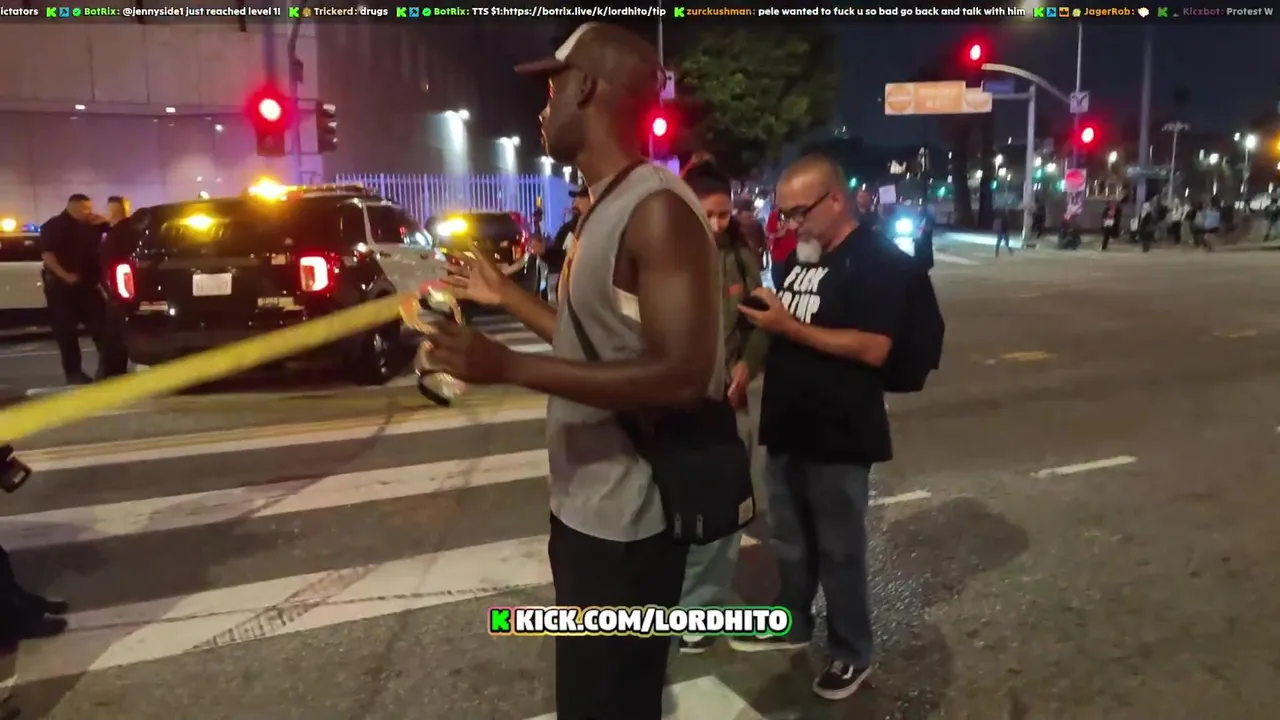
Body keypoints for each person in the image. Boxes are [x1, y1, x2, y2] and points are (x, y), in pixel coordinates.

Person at [427, 22, 722, 719]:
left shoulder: (655, 210)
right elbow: (596, 343)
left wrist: (509, 366)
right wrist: (506, 298)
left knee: (608, 702)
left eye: (552, 90)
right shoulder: (604, 206)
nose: (543, 108)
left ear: (586, 88)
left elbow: (682, 376)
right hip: (588, 508)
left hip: (629, 523)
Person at [731, 154, 911, 702]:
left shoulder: (877, 260)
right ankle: (792, 622)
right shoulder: (799, 258)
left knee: (839, 549)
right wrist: (748, 363)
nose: (790, 225)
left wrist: (788, 326)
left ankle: (851, 650)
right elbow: (779, 327)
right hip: (788, 423)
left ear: (835, 199)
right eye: (783, 214)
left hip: (839, 430)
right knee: (790, 540)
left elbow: (873, 347)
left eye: (798, 213)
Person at [675, 163, 769, 654]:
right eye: (706, 214)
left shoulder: (739, 255)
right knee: (675, 511)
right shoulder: (661, 254)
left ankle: (700, 611)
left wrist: (748, 366)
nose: (715, 224)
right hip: (676, 405)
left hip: (729, 402)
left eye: (723, 215)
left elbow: (759, 321)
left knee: (725, 512)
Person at [38, 193, 113, 385]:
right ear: (73, 207)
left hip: (88, 284)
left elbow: (114, 232)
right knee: (67, 333)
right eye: (86, 209)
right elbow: (48, 255)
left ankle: (108, 368)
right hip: (62, 287)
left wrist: (104, 221)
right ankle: (73, 373)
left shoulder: (92, 225)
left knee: (103, 328)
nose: (89, 212)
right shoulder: (53, 226)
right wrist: (65, 275)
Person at [96, 196, 133, 378]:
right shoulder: (130, 231)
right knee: (116, 336)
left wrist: (108, 289)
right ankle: (113, 373)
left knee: (114, 337)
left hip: (118, 292)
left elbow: (111, 264)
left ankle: (111, 375)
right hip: (122, 290)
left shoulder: (117, 234)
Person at [542, 188, 589, 304]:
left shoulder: (596, 230)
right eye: (575, 199)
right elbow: (560, 256)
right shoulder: (567, 229)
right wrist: (544, 251)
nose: (574, 203)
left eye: (580, 198)